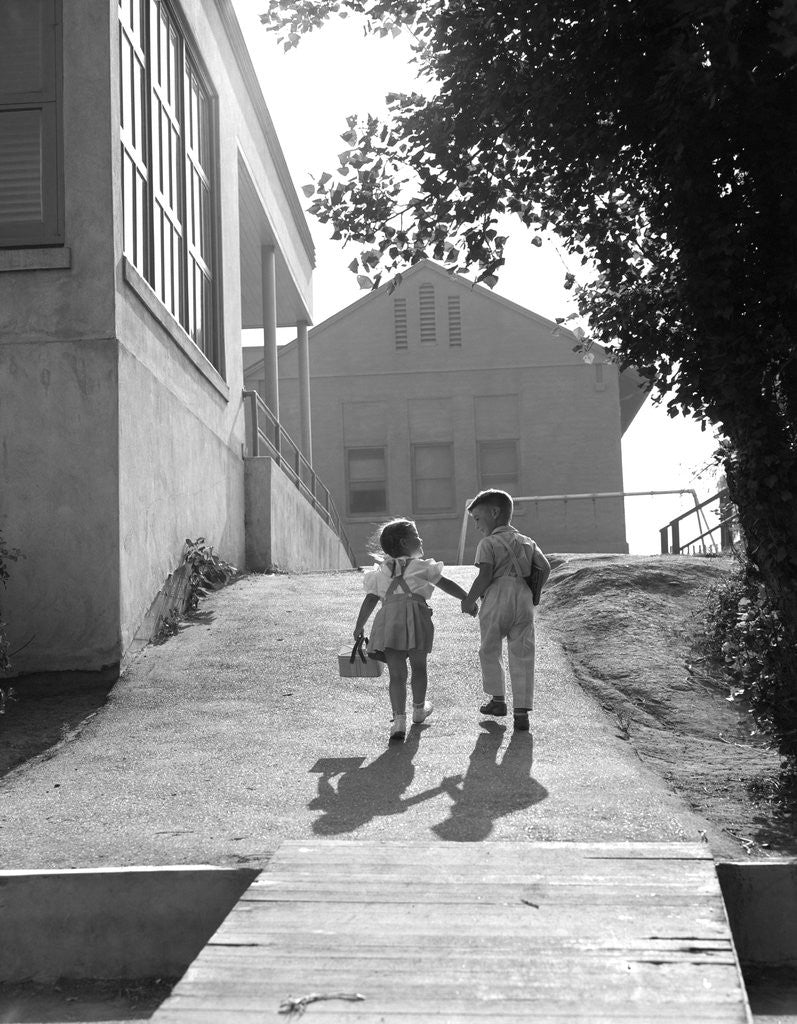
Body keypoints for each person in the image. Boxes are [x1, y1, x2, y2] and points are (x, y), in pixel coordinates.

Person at [354, 518, 473, 744]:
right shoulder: (422, 566)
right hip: (417, 617)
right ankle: (419, 709)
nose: (421, 539)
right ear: (404, 542)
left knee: (397, 675)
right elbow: (445, 583)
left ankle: (399, 720)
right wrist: (467, 598)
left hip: (389, 621)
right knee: (419, 668)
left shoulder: (380, 572)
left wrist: (359, 626)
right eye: (416, 536)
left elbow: (370, 600)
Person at [461, 489, 551, 731]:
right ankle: (521, 711)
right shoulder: (527, 541)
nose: (477, 526)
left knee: (490, 647)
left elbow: (485, 575)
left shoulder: (488, 543)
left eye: (478, 519)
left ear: (494, 512)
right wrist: (534, 592)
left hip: (497, 595)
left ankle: (497, 699)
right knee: (522, 653)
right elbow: (544, 566)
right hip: (523, 596)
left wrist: (468, 600)